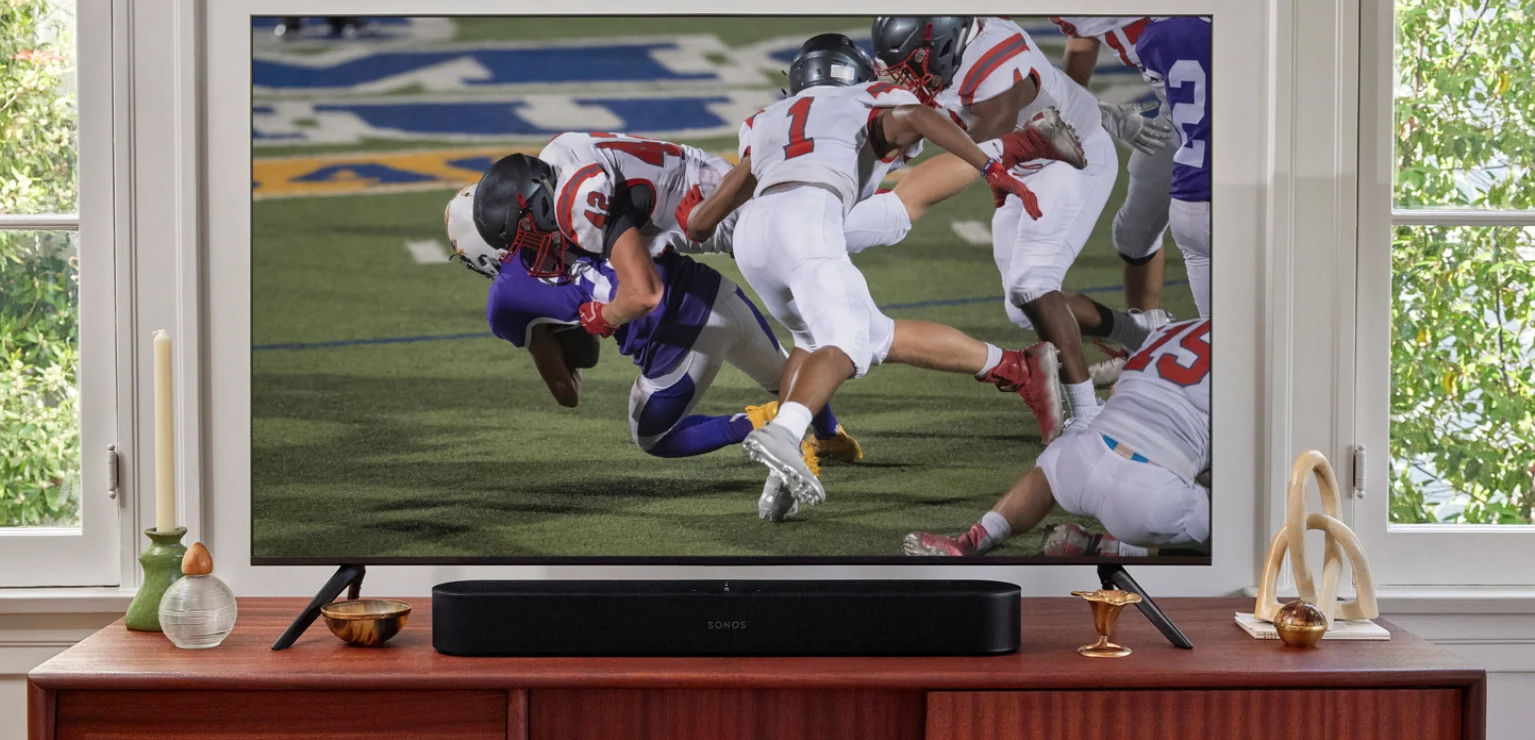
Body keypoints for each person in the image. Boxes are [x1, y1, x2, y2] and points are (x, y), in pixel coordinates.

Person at [682, 33, 1064, 509]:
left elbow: (703, 221)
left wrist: (698, 221)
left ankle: (784, 469)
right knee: (847, 340)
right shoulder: (870, 97)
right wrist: (989, 166)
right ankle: (784, 434)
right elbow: (918, 117)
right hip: (812, 214)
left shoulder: (764, 120)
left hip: (755, 233)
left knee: (829, 338)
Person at [447, 182, 853, 522]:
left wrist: (556, 334)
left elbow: (567, 392)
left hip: (679, 339)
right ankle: (830, 435)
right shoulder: (570, 200)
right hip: (715, 289)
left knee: (652, 436)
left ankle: (762, 423)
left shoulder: (506, 297)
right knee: (790, 377)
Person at [870, 17, 1172, 432]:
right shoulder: (961, 46)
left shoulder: (993, 62)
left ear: (944, 45)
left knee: (1034, 284)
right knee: (1020, 308)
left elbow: (971, 155)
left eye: (913, 62)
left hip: (1070, 159)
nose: (904, 73)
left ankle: (1087, 415)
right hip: (1029, 160)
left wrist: (893, 166)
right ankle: (1142, 330)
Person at [904, 318, 1211, 558]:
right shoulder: (1250, 352)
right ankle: (1114, 550)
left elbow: (1119, 389)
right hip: (1151, 501)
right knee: (1242, 530)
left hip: (1084, 457)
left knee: (1050, 470)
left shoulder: (1173, 330)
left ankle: (971, 541)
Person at [1050, 16, 1179, 314]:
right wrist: (1100, 113)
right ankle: (1147, 343)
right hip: (1175, 110)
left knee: (1204, 232)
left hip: (1230, 104)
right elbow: (1075, 76)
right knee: (1134, 234)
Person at [1136, 16, 1213, 318]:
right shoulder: (1239, 28)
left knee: (1213, 337)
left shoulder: (1153, 35)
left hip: (1186, 200)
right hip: (1233, 198)